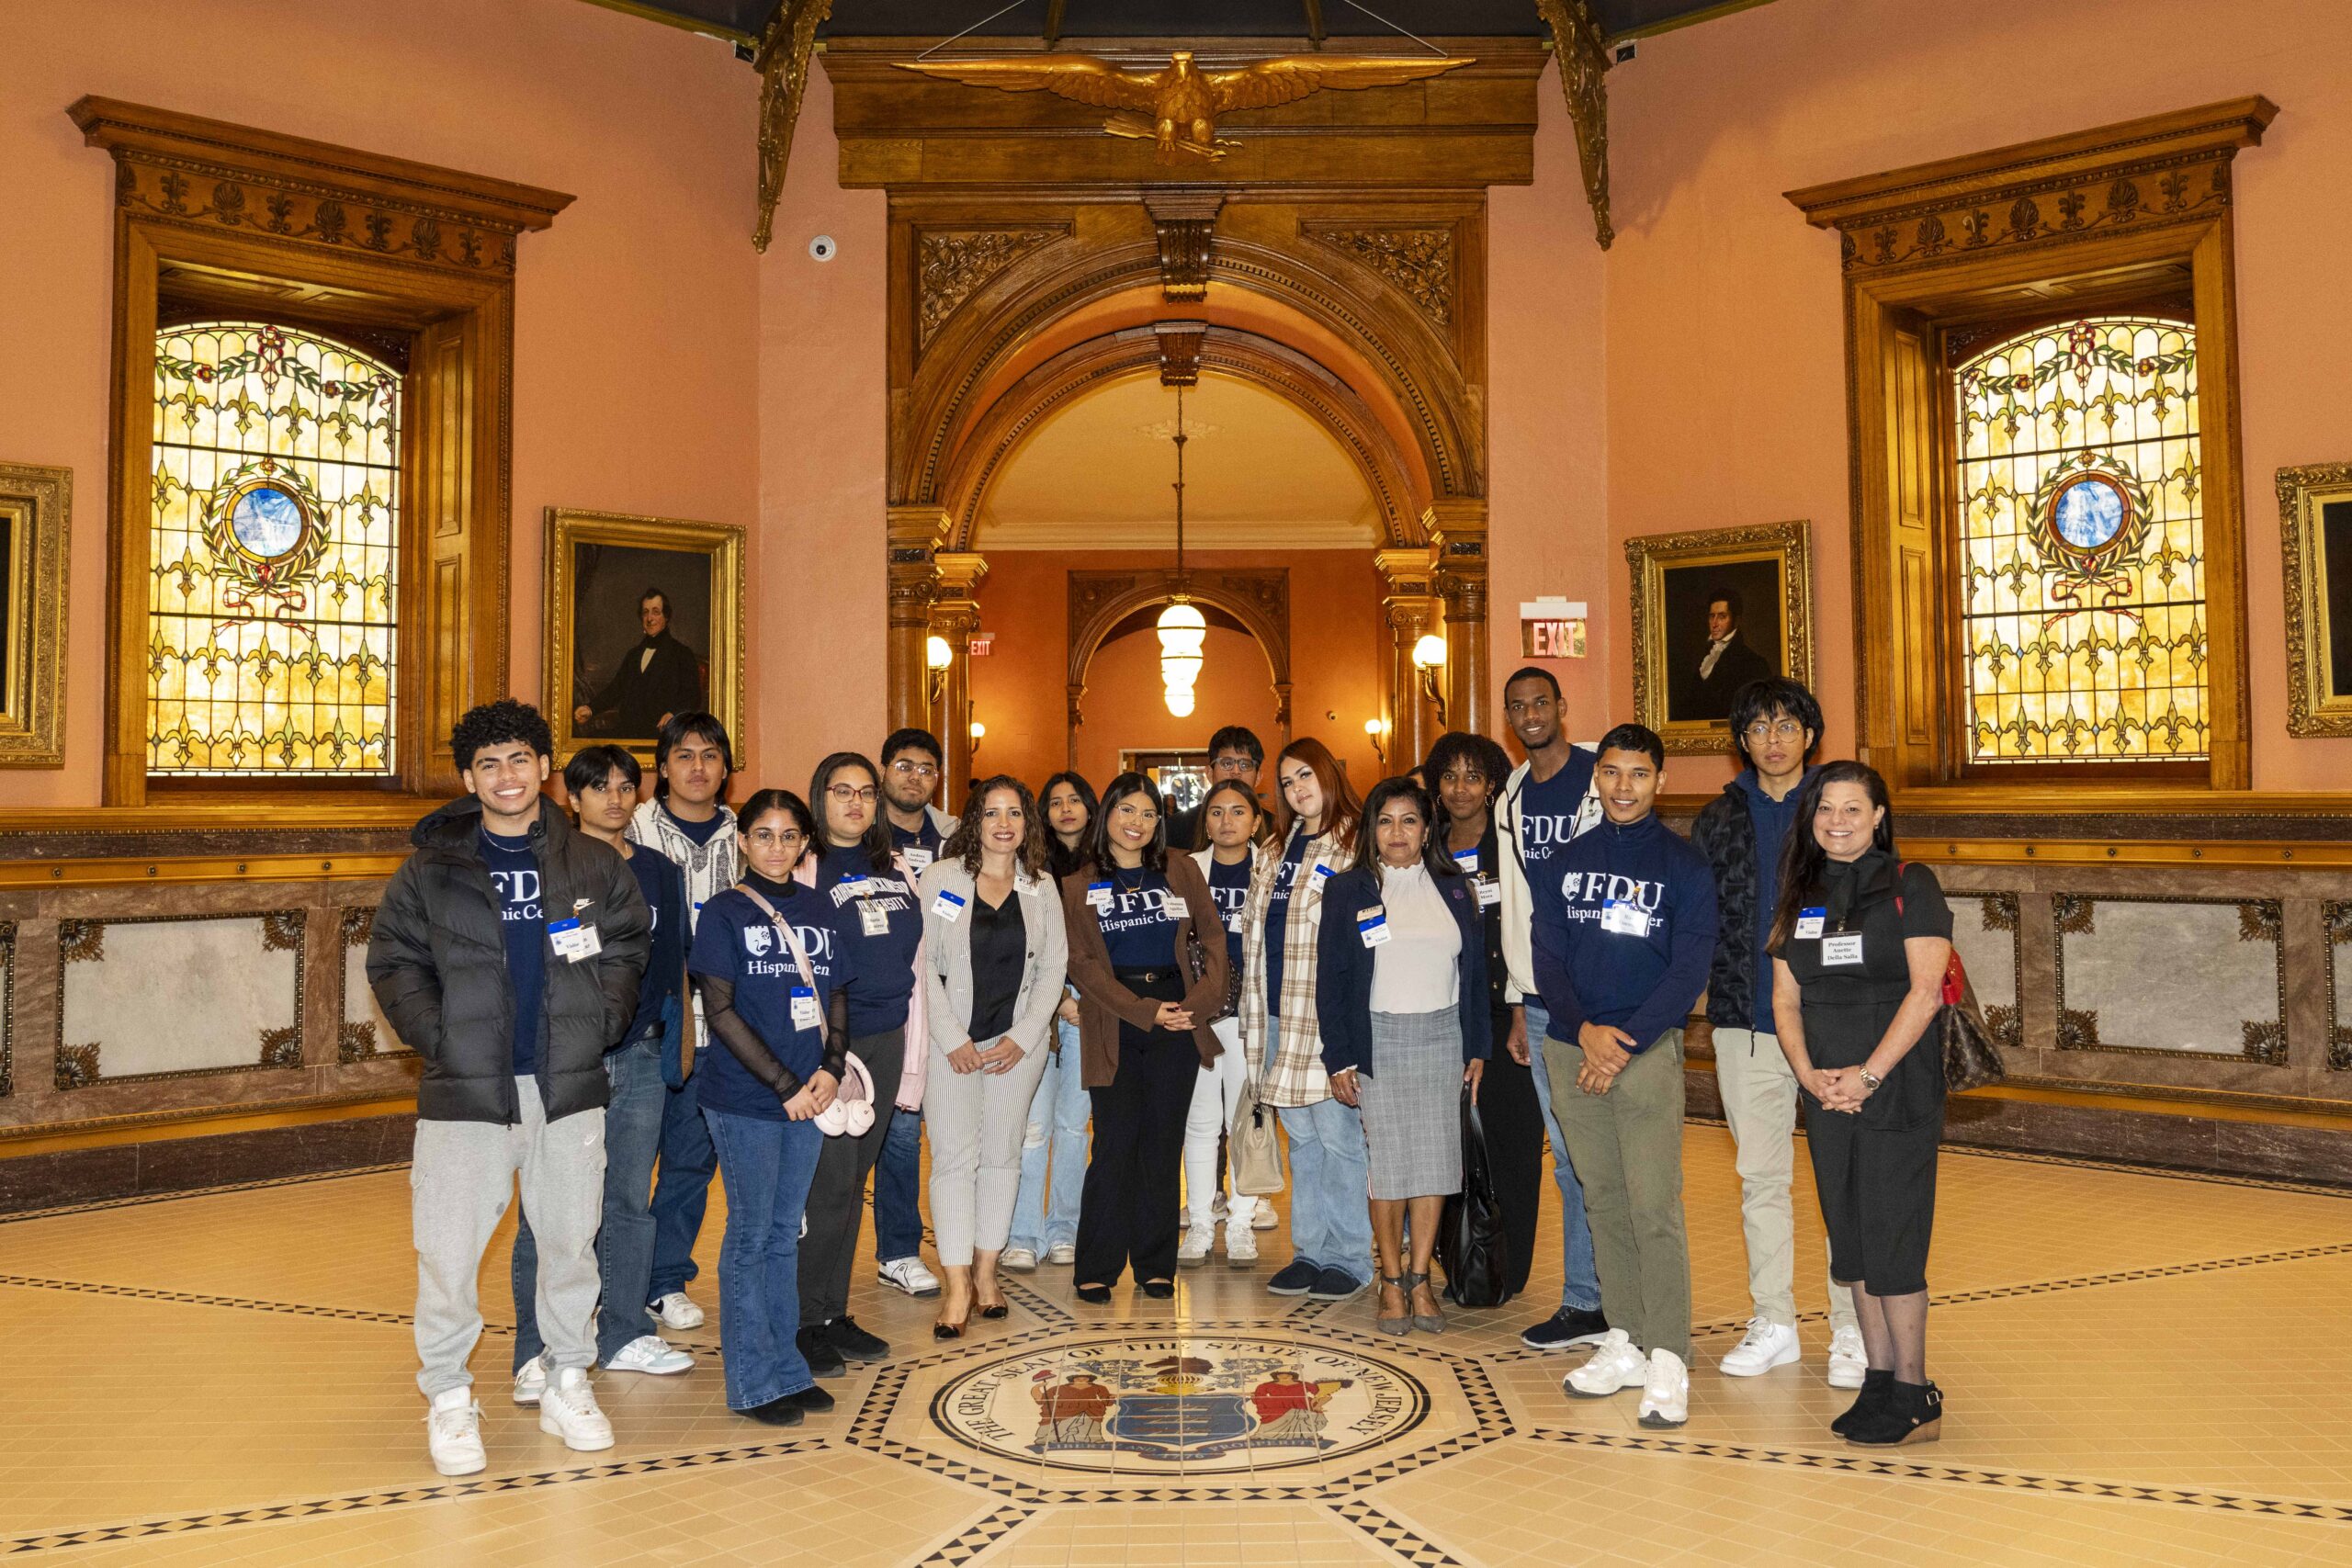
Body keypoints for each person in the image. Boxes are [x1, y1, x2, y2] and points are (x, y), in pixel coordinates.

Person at [367, 700, 650, 1476]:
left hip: (566, 1086)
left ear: (545, 769)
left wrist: (603, 1017)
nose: (506, 776)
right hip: (470, 1093)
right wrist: (443, 1037)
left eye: (520, 760)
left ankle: (566, 1377)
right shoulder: (432, 868)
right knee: (449, 1253)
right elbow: (392, 960)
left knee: (569, 1241)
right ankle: (451, 1397)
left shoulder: (591, 861)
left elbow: (628, 940)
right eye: (488, 764)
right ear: (469, 777)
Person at [1767, 761, 1953, 1446]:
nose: (1837, 820)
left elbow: (1925, 992)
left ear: (1879, 816)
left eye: (1853, 807)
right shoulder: (1801, 893)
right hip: (1825, 1092)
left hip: (1894, 1087)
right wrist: (1809, 1073)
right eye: (1825, 809)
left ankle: (1915, 1390)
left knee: (1893, 1236)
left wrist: (1867, 1076)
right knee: (1851, 1240)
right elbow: (1787, 998)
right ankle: (1879, 1382)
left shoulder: (1912, 885)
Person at [1689, 677, 1865, 1388]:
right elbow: (1699, 916)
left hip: (1835, 1022)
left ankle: (1853, 1326)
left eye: (1787, 724)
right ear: (1742, 739)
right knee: (1760, 1179)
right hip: (1745, 1020)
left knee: (1840, 1181)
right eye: (1758, 726)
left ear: (1809, 733)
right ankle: (1775, 1319)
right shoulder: (1718, 818)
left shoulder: (1841, 804)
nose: (1773, 738)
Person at [1542, 723, 1715, 1430]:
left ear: (1659, 781)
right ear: (1597, 778)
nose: (1623, 786)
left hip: (1643, 1052)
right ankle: (1626, 1337)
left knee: (1654, 1205)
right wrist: (1582, 1030)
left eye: (1638, 774)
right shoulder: (1562, 860)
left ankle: (1669, 1354)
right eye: (1611, 772)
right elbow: (1547, 955)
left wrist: (1625, 1041)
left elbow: (1689, 966)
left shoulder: (1685, 865)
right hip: (1570, 1045)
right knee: (1603, 1199)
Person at [508, 746, 694, 1408]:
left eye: (625, 787)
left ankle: (621, 1331)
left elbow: (673, 966)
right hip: (566, 1056)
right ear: (573, 797)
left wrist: (678, 1043)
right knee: (548, 1208)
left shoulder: (661, 873)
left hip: (641, 1052)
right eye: (599, 787)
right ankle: (537, 1347)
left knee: (626, 1198)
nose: (614, 798)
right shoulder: (544, 867)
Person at [686, 788, 846, 1427]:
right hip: (749, 1098)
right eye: (764, 834)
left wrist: (832, 1067)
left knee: (785, 1232)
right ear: (744, 841)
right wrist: (786, 1083)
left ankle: (786, 1366)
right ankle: (752, 1381)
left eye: (789, 835)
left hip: (809, 1092)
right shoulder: (723, 913)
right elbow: (718, 1010)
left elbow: (835, 995)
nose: (777, 846)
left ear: (804, 842)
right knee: (752, 1234)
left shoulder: (820, 907)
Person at [1317, 777, 1489, 1337]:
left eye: (1409, 820)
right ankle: (1391, 1279)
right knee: (1389, 1167)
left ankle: (1422, 1279)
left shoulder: (1455, 886)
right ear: (1371, 829)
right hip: (1377, 1040)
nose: (1397, 832)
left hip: (1443, 1038)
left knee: (1436, 1161)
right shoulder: (1349, 890)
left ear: (1426, 828)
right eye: (1386, 820)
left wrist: (1477, 1048)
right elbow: (1332, 980)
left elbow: (1476, 974)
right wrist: (1338, 1058)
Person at [1061, 773, 1229, 1302]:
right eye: (1126, 811)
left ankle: (1156, 1264)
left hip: (1178, 1017)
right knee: (1114, 1144)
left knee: (1162, 1143)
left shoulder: (1179, 869)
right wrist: (1145, 1011)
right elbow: (1082, 965)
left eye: (1148, 814)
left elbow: (1215, 940)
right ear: (1106, 813)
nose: (1137, 824)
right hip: (1115, 1020)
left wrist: (1193, 1008)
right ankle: (1097, 1264)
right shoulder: (1079, 883)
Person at [919, 775, 1069, 1335]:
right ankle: (956, 1282)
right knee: (955, 1161)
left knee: (1004, 1157)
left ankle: (987, 1269)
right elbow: (925, 965)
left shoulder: (1041, 886)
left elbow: (1053, 968)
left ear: (1027, 824)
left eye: (1014, 813)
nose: (1003, 824)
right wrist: (951, 1037)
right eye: (991, 813)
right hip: (952, 1046)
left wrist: (1025, 1036)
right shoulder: (941, 879)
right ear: (973, 821)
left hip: (1015, 1048)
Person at [794, 752, 925, 1379]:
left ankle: (833, 1311)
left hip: (888, 1036)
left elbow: (916, 960)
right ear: (819, 797)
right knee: (826, 1186)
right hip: (835, 1045)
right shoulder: (803, 868)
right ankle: (803, 1319)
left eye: (865, 792)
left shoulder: (892, 865)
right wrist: (820, 1052)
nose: (855, 802)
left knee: (853, 1184)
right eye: (841, 791)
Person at [1494, 668, 1610, 1350]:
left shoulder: (1604, 775)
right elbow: (1516, 905)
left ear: (1562, 707)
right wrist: (1516, 1000)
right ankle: (1586, 1301)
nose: (1532, 714)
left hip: (1598, 997)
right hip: (1539, 998)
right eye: (1519, 706)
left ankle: (1608, 1296)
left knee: (1603, 1156)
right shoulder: (1511, 790)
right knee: (1568, 1156)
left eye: (1542, 702)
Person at [1238, 738, 1370, 1303]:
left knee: (1340, 1140)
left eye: (1305, 776)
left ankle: (1351, 1257)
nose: (1297, 789)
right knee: (1304, 1143)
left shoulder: (1357, 843)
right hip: (1273, 1013)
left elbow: (1365, 940)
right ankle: (1310, 1252)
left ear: (1329, 773)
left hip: (1324, 1017)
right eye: (1287, 782)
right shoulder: (1275, 845)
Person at [628, 711, 737, 1334]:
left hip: (720, 1027)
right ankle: (609, 1277)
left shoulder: (746, 835)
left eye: (711, 754)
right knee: (627, 1160)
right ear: (662, 766)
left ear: (724, 766)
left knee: (691, 1161)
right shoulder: (632, 828)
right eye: (685, 754)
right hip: (649, 1024)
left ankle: (664, 1278)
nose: (699, 766)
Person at [1425, 729, 1542, 1298]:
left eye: (1474, 776)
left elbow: (1528, 928)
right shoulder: (1429, 848)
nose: (1460, 788)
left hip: (1506, 1011)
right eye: (1450, 776)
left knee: (1511, 1145)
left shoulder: (1511, 841)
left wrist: (1521, 1008)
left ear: (1493, 782)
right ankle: (1464, 1265)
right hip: (1443, 1016)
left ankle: (1509, 1270)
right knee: (1453, 1148)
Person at [872, 727, 956, 1300]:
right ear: (884, 770)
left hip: (949, 995)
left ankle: (931, 1246)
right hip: (886, 995)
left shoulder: (955, 835)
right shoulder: (858, 829)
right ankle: (897, 1249)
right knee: (895, 1129)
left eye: (927, 769)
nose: (915, 777)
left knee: (935, 1130)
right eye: (904, 766)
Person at [1005, 771, 1098, 1271]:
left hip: (1091, 1009)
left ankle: (1066, 1228)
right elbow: (1021, 942)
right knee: (1032, 1126)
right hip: (1034, 1006)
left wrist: (1084, 999)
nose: (1066, 809)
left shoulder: (1107, 864)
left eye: (1075, 800)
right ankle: (1022, 1232)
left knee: (1072, 1125)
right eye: (1055, 801)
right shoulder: (1028, 869)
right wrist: (1058, 997)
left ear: (1090, 807)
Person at [1181, 778, 1266, 1267]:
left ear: (1255, 820)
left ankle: (1240, 1224)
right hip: (1201, 1011)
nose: (1227, 821)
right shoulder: (1187, 869)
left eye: (1238, 811)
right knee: (1201, 1123)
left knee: (1246, 1121)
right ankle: (1198, 1224)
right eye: (1216, 812)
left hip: (1253, 1011)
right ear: (1205, 820)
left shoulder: (1271, 869)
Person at [573, 587, 703, 738]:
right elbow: (615, 690)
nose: (650, 618)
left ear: (666, 617)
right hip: (628, 731)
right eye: (645, 612)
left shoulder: (681, 654)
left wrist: (673, 714)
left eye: (656, 612)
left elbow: (693, 696)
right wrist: (590, 709)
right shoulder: (634, 655)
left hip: (661, 734)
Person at [1165, 725, 1266, 853]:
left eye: (1245, 765)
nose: (1236, 772)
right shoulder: (1176, 827)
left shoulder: (1278, 829)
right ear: (1209, 773)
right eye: (1226, 763)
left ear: (1258, 777)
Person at [1688, 587, 1774, 722]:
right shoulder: (1702, 655)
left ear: (1736, 620)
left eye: (1722, 617)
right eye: (1712, 616)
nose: (1714, 623)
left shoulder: (1753, 663)